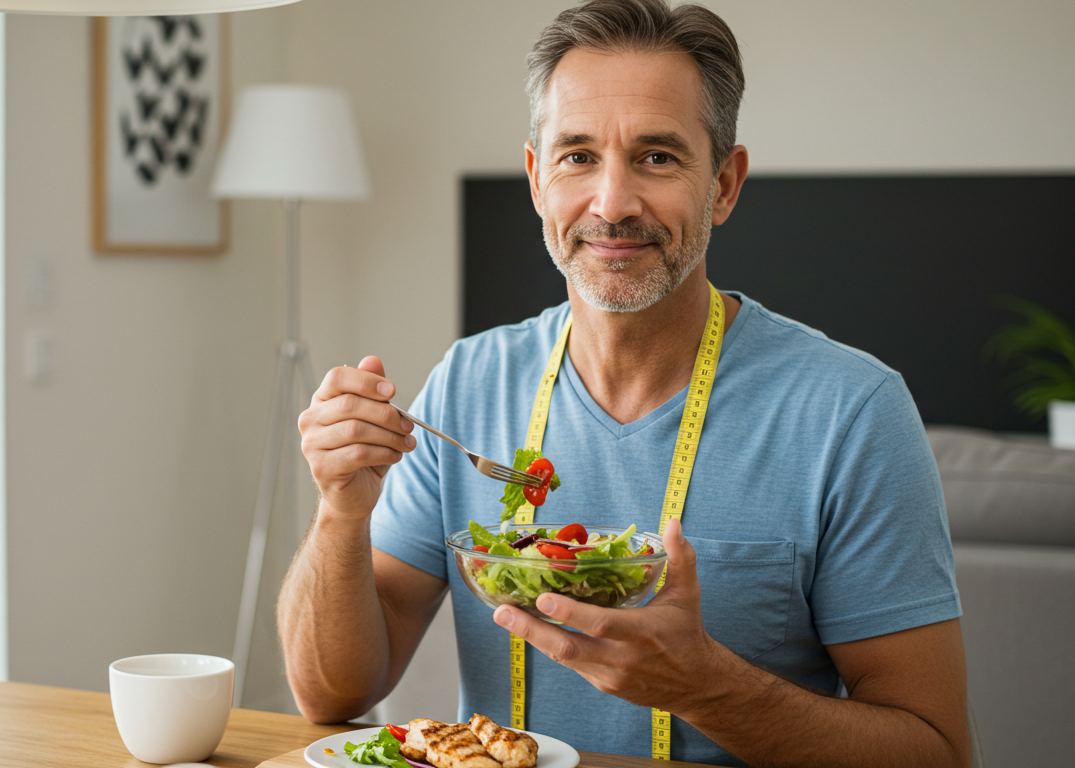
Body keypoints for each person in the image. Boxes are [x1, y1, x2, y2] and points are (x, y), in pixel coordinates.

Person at [279, 1, 969, 766]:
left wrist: (710, 687)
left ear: (724, 186)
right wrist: (341, 513)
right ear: (538, 180)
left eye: (658, 157)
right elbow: (329, 694)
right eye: (577, 156)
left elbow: (937, 751)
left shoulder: (852, 415)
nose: (612, 204)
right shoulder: (468, 382)